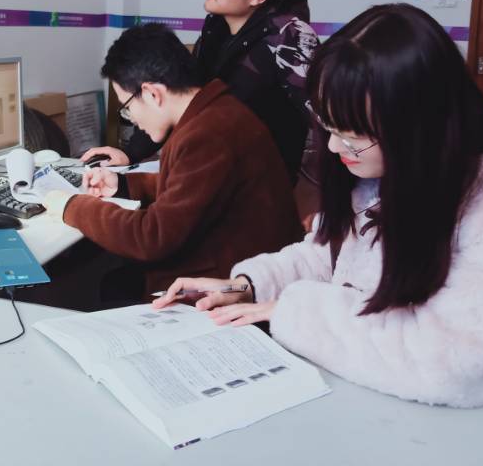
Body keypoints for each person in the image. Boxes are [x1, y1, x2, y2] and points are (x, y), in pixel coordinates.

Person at [153, 4, 483, 466]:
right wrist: (248, 286)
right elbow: (327, 255)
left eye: (353, 135)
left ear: (419, 123)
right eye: (328, 126)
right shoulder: (383, 173)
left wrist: (290, 312)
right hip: (387, 416)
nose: (335, 146)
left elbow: (454, 363)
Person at [41, 23, 301, 300]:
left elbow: (151, 238)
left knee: (112, 284)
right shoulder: (216, 112)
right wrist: (124, 184)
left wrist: (72, 206)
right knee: (114, 279)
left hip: (230, 285)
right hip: (235, 262)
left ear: (152, 93)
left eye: (127, 108)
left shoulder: (207, 133)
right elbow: (195, 186)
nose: (133, 119)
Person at [82, 0, 318, 181]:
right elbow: (180, 95)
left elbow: (328, 122)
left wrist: (320, 197)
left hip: (260, 184)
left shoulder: (289, 36)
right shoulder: (216, 27)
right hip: (216, 170)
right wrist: (129, 154)